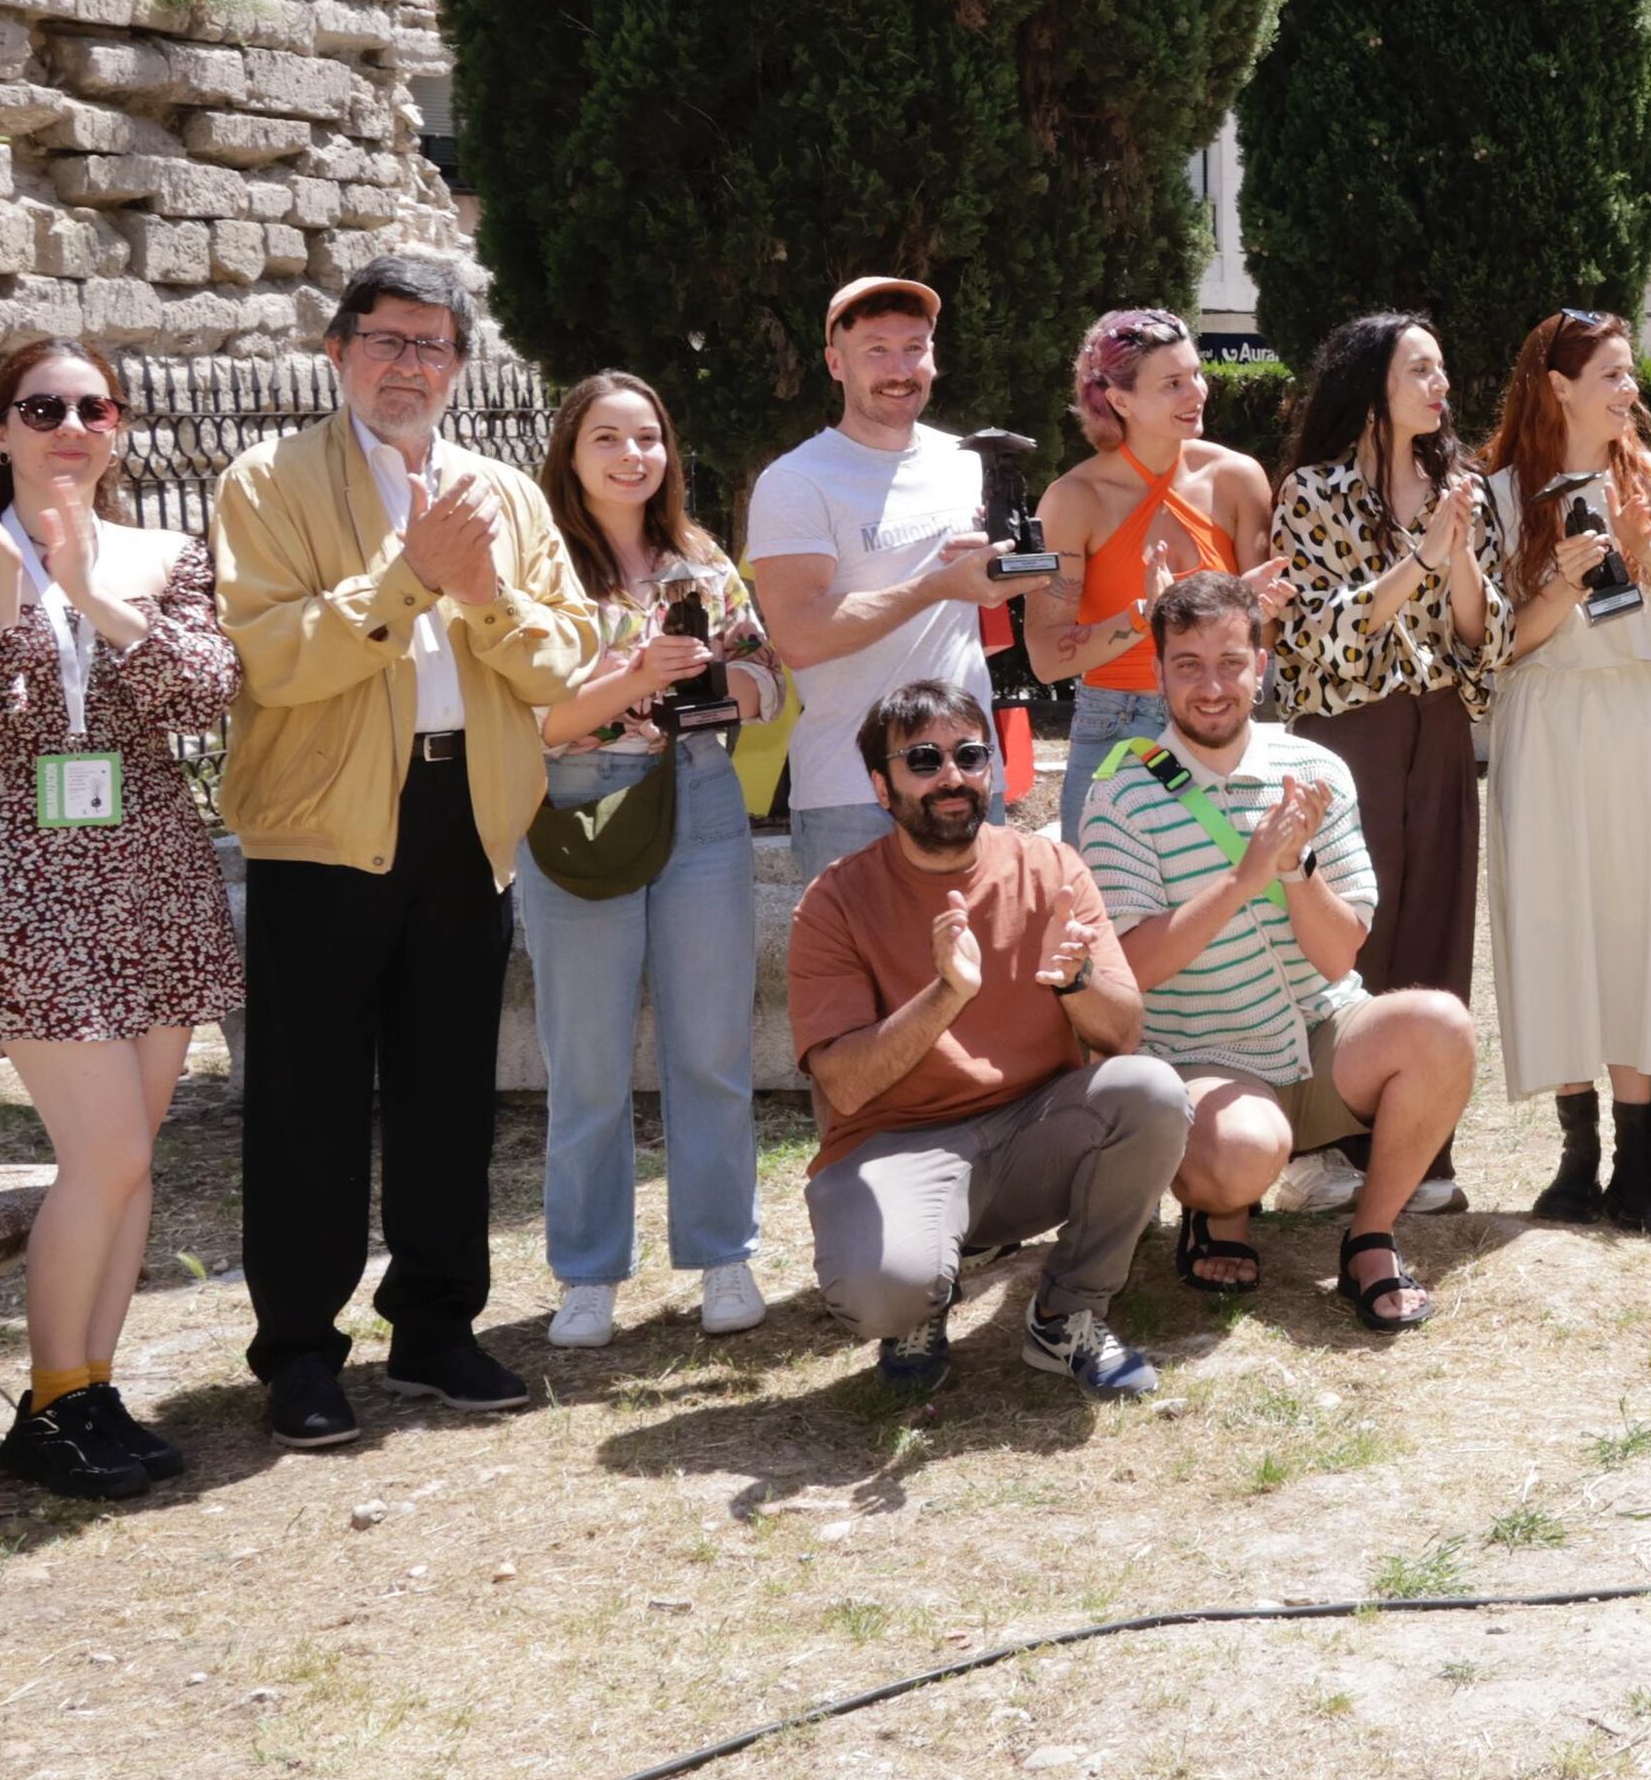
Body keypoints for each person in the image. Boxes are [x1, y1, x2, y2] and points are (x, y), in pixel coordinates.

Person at [215, 253, 594, 1446]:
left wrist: (481, 595)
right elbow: (271, 659)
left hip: (465, 820)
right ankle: (298, 1354)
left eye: (432, 346)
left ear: (461, 366)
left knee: (445, 1096)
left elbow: (562, 661)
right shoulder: (267, 482)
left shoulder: (507, 495)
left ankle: (434, 1325)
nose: (407, 365)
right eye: (386, 340)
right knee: (306, 1101)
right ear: (337, 351)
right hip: (320, 826)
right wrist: (405, 579)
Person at [0, 341, 241, 1498]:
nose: (71, 426)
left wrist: (89, 588)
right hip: (25, 882)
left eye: (95, 407)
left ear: (119, 426)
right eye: (43, 408)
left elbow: (202, 693)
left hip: (152, 871)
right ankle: (48, 1403)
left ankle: (87, 1386)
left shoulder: (167, 555)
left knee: (130, 1169)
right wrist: (0, 575)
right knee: (110, 1151)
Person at [1078, 574, 1480, 1332]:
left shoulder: (1315, 771)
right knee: (1241, 1155)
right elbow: (1133, 969)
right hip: (1203, 1054)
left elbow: (1338, 959)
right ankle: (1220, 1209)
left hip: (1320, 1039)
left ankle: (1370, 1235)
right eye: (1188, 664)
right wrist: (1244, 875)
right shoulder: (1120, 794)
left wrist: (1295, 871)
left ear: (1260, 665)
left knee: (1442, 1026)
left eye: (1231, 660)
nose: (1212, 685)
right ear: (1157, 672)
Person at [786, 678, 1178, 1400]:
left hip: (1031, 1133)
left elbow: (1125, 1034)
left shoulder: (1053, 868)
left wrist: (1077, 983)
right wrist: (946, 994)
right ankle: (921, 1303)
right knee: (883, 1295)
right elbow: (842, 1083)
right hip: (896, 1144)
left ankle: (1068, 1312)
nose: (952, 777)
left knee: (1151, 1091)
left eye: (969, 755)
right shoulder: (835, 900)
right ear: (882, 785)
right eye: (923, 761)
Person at [521, 370, 777, 1351]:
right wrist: (637, 674)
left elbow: (764, 673)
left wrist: (736, 690)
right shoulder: (536, 567)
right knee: (585, 1057)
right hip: (580, 805)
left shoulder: (700, 557)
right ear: (571, 454)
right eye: (609, 439)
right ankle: (587, 1272)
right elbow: (537, 716)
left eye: (650, 437)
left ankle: (723, 1254)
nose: (635, 456)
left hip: (701, 795)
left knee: (709, 1045)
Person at [1482, 309, 1651, 1232]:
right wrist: (1559, 580)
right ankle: (1575, 1156)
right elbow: (1498, 646)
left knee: (1642, 927)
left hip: (1640, 715)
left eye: (1632, 374)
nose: (1631, 391)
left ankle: (1638, 1164)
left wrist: (1647, 545)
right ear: (1559, 385)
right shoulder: (1501, 493)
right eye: (1612, 376)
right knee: (1555, 923)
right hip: (1548, 721)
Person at [748, 277, 1031, 878]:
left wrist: (1011, 568)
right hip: (851, 791)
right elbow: (798, 635)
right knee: (863, 974)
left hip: (970, 780)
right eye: (876, 349)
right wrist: (938, 585)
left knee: (979, 968)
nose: (899, 368)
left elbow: (998, 596)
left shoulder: (968, 463)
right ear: (835, 363)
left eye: (915, 347)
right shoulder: (797, 481)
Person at [1268, 313, 1497, 1027]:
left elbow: (1484, 638)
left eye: (1441, 368)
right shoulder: (1310, 493)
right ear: (1372, 388)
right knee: (1353, 926)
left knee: (1439, 926)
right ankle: (1344, 1124)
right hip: (1347, 734)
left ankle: (1426, 1125)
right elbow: (1312, 636)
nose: (1443, 385)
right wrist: (1423, 557)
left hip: (1442, 730)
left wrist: (1456, 558)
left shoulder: (1463, 490)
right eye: (1421, 370)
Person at [1026, 309, 1279, 841]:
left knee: (1228, 910)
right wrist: (1146, 616)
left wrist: (1258, 612)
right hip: (1116, 727)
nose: (1197, 393)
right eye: (1172, 384)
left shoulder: (1237, 479)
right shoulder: (1075, 500)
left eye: (1196, 375)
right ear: (1119, 400)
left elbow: (1268, 636)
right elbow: (1047, 658)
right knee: (1104, 918)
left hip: (1219, 716)